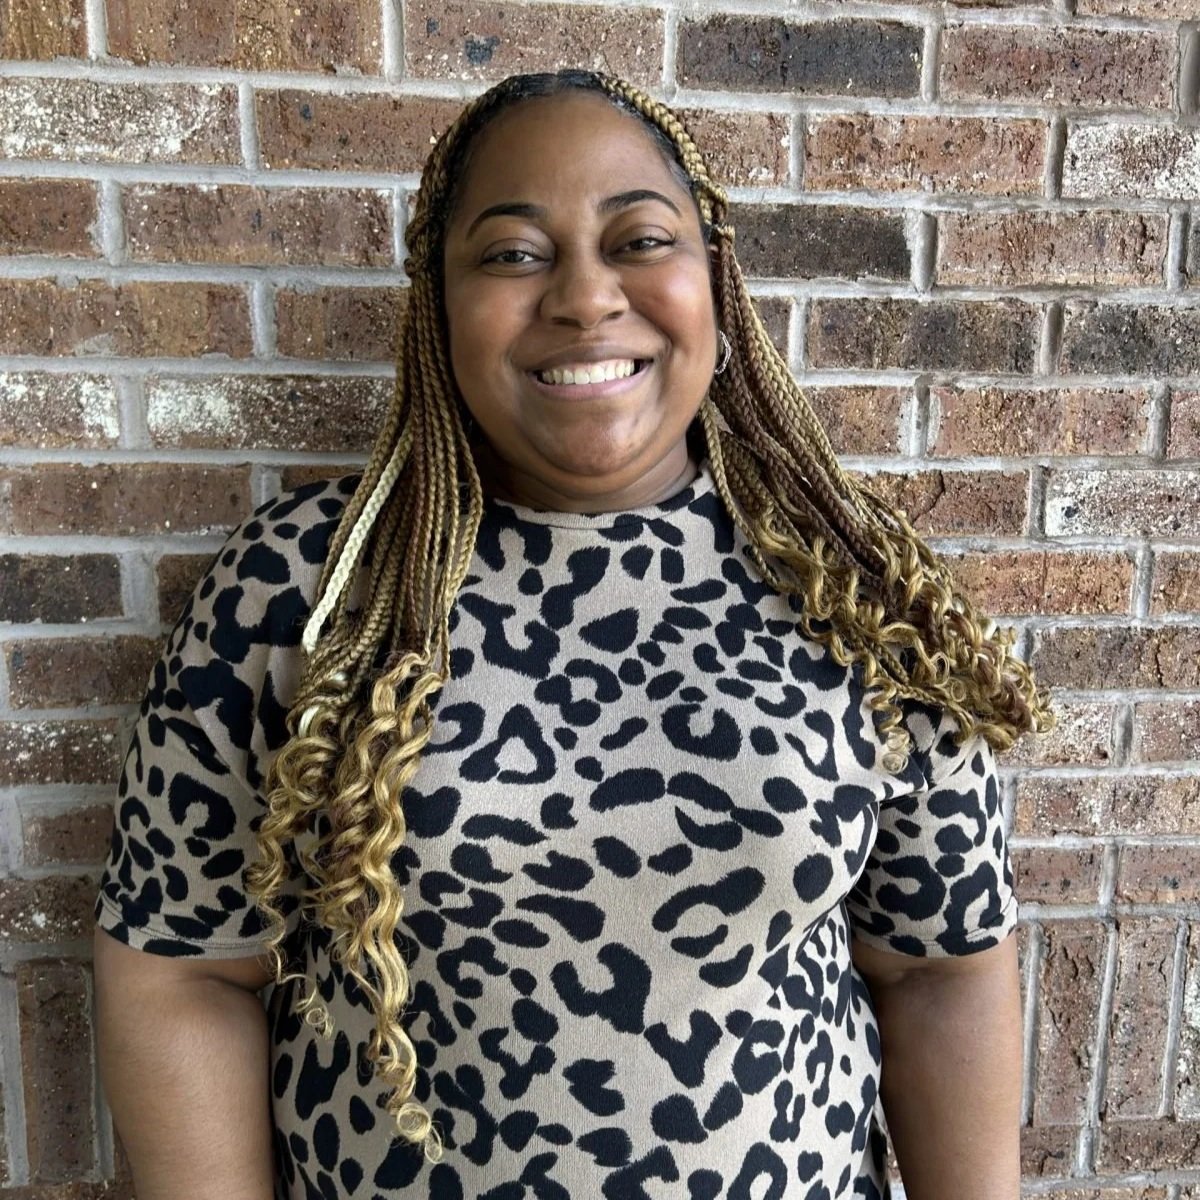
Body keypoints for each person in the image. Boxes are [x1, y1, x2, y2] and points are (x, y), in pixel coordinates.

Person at [93, 70, 1052, 1200]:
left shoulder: (855, 584)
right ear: (435, 306)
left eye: (641, 239)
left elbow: (941, 969)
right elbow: (185, 970)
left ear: (715, 282)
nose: (586, 298)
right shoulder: (307, 588)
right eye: (511, 254)